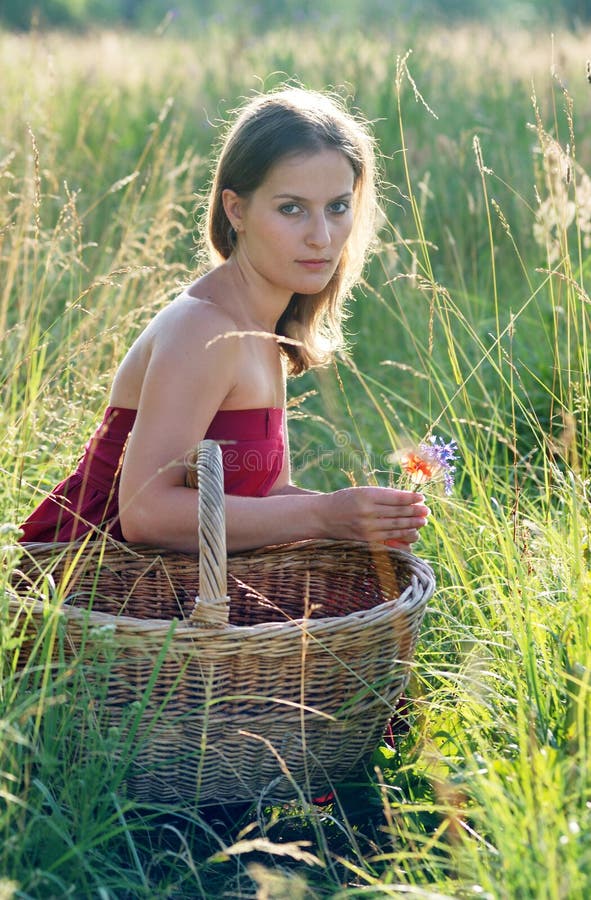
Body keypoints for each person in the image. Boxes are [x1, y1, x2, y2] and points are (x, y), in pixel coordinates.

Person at [20, 86, 429, 553]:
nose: (321, 236)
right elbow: (144, 513)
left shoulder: (264, 325)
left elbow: (263, 499)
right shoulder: (204, 328)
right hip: (95, 580)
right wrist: (322, 514)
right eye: (291, 209)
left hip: (187, 584)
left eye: (337, 207)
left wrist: (355, 519)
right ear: (237, 209)